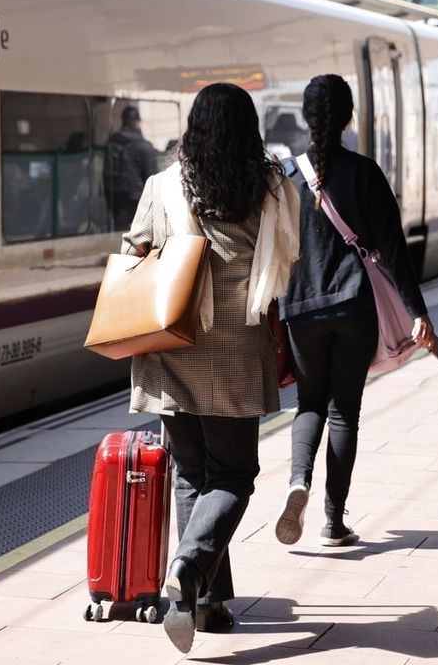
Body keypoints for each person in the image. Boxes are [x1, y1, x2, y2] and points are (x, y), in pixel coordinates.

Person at [122, 83, 300, 653]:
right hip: (236, 352)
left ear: (193, 128)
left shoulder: (162, 185)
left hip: (170, 347)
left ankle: (204, 599)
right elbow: (289, 259)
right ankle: (195, 575)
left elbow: (134, 255)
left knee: (193, 474)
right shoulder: (272, 188)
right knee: (233, 476)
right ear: (248, 129)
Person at [274, 74, 436, 548]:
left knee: (309, 404)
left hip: (301, 308)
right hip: (354, 308)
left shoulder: (285, 179)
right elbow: (394, 250)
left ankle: (297, 482)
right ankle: (332, 521)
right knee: (344, 411)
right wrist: (417, 310)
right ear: (348, 118)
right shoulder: (365, 173)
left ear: (306, 118)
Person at [103, 105, 161, 231]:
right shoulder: (144, 147)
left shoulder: (112, 143)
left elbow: (106, 174)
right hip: (139, 200)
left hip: (117, 198)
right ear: (136, 122)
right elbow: (152, 178)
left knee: (120, 232)